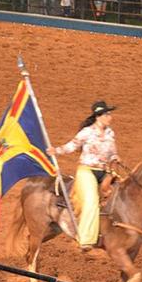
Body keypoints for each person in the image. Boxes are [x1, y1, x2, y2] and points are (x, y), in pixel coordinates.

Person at [47, 101, 121, 252]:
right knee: (91, 201)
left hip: (104, 172)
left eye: (110, 114)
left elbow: (112, 152)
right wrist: (56, 151)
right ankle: (85, 239)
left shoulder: (110, 133)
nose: (110, 117)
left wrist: (115, 157)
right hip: (86, 171)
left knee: (119, 196)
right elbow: (72, 146)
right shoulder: (87, 132)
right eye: (107, 114)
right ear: (98, 116)